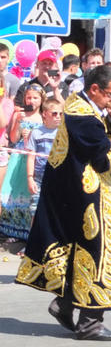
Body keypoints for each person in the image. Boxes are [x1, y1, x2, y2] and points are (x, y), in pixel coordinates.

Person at [15, 66, 111, 340]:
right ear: (95, 89)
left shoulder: (83, 106)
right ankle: (90, 323)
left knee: (80, 252)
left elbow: (103, 132)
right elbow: (102, 157)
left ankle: (65, 304)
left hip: (80, 192)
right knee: (99, 253)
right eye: (109, 95)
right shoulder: (81, 115)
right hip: (84, 195)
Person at [0, 84, 45, 238]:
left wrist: (33, 135)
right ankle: (11, 229)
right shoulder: (20, 115)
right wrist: (18, 122)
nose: (31, 100)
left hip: (34, 158)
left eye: (35, 97)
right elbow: (13, 138)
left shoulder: (44, 117)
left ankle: (27, 230)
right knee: (13, 190)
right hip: (19, 157)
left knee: (29, 194)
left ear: (41, 99)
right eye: (28, 97)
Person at [24, 98, 62, 216]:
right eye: (54, 113)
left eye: (60, 114)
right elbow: (31, 157)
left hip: (58, 176)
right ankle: (35, 234)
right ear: (45, 114)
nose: (58, 116)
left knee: (56, 212)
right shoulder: (36, 132)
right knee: (35, 211)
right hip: (39, 177)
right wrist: (30, 178)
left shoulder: (63, 133)